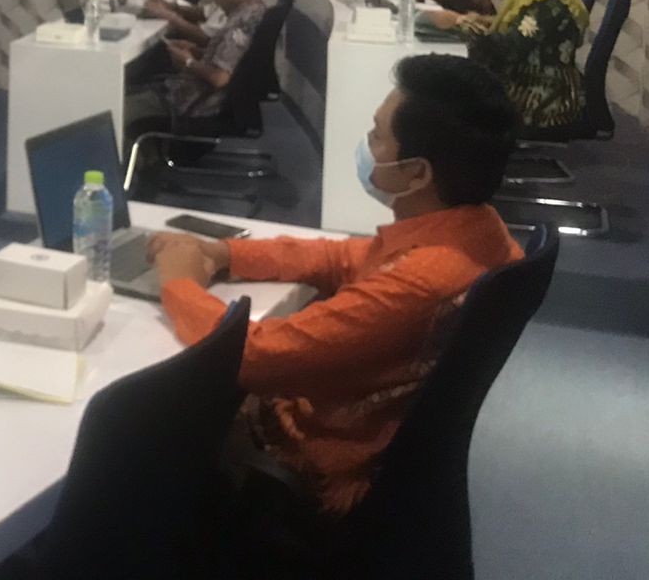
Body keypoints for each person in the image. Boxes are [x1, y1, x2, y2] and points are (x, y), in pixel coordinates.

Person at [147, 55, 522, 517]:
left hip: (316, 463)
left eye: (377, 136)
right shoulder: (480, 230)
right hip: (380, 442)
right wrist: (227, 253)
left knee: (150, 418)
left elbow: (252, 355)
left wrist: (178, 282)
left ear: (417, 173)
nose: (367, 145)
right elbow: (339, 258)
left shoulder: (420, 282)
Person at [426, 0, 587, 129]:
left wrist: (459, 22)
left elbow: (508, 48)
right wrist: (481, 21)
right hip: (523, 80)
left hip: (542, 96)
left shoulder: (551, 2)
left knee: (447, 97)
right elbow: (517, 27)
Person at [128, 0, 265, 124]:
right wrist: (196, 51)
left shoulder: (243, 23)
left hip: (191, 105)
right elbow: (231, 63)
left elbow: (220, 78)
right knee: (128, 95)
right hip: (185, 92)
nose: (215, 0)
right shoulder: (252, 10)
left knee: (118, 109)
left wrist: (188, 61)